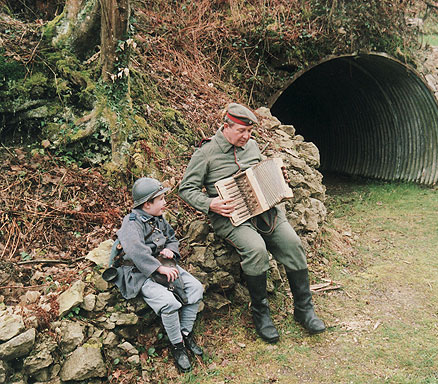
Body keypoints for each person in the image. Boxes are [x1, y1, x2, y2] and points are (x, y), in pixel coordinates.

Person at [179, 103, 325, 344]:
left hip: (265, 212)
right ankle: (261, 315)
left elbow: (261, 173)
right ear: (226, 127)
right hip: (231, 217)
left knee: (293, 243)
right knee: (256, 249)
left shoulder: (252, 146)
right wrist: (210, 204)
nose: (247, 137)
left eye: (249, 132)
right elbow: (186, 188)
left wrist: (280, 178)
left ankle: (304, 310)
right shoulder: (206, 153)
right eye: (241, 131)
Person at [113, 177, 204, 372]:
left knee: (196, 288)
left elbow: (171, 238)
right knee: (169, 303)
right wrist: (158, 268)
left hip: (163, 264)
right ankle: (177, 347)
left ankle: (185, 334)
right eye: (161, 199)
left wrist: (171, 250)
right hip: (140, 272)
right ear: (147, 204)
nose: (165, 203)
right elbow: (135, 250)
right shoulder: (132, 222)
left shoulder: (158, 218)